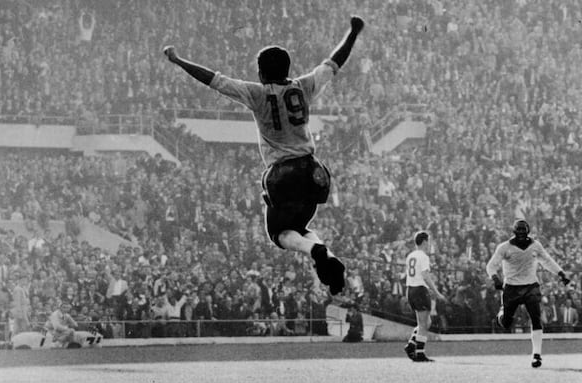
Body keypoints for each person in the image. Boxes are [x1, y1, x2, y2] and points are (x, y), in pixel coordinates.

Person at [163, 16, 366, 296]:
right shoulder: (303, 86)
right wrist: (353, 32)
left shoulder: (257, 93)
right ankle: (325, 258)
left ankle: (317, 250)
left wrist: (179, 60)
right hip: (314, 171)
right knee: (299, 226)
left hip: (282, 173)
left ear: (261, 73)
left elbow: (213, 79)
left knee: (279, 233)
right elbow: (334, 62)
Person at [486, 220, 570, 368]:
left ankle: (536, 355)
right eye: (518, 233)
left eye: (523, 233)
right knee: (506, 323)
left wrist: (561, 273)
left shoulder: (535, 245)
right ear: (514, 232)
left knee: (536, 318)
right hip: (511, 288)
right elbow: (491, 265)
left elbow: (547, 261)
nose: (521, 236)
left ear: (528, 233)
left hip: (531, 285)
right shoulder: (504, 247)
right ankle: (502, 313)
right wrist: (495, 278)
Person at [404, 231, 446, 362]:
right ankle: (420, 353)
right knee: (423, 324)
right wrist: (436, 292)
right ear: (424, 241)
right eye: (429, 241)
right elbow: (425, 276)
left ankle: (411, 345)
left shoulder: (411, 255)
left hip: (410, 288)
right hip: (420, 289)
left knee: (426, 322)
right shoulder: (423, 256)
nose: (430, 243)